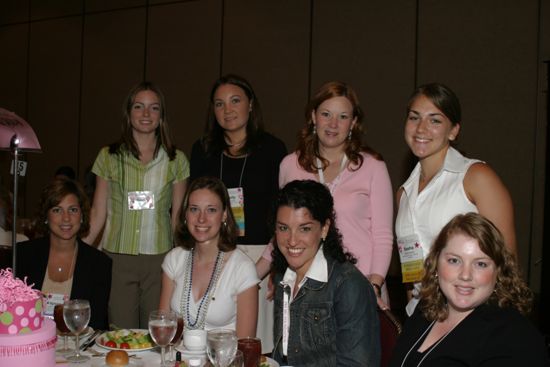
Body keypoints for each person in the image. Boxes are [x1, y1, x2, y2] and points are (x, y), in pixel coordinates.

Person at [258, 81, 393, 307]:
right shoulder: (290, 165)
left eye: (342, 116)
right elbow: (282, 228)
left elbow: (383, 236)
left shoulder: (373, 167)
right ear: (313, 116)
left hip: (359, 285)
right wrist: (251, 275)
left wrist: (375, 283)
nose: (333, 124)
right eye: (326, 114)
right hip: (304, 287)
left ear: (354, 122)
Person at [395, 83, 517, 315]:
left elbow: (507, 263)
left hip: (472, 315)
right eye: (414, 117)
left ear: (453, 131)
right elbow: (410, 269)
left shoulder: (476, 177)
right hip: (421, 316)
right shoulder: (404, 193)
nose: (421, 128)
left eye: (435, 120)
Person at [190, 74, 286, 348]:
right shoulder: (203, 150)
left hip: (261, 257)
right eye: (219, 104)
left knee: (254, 342)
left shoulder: (272, 149)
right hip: (213, 254)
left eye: (235, 101)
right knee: (212, 339)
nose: (227, 110)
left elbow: (282, 211)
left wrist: (276, 263)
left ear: (251, 104)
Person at [84, 81, 189, 329]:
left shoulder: (177, 160)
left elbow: (178, 217)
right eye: (139, 107)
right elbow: (98, 212)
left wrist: (185, 260)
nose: (145, 114)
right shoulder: (108, 156)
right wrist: (76, 251)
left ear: (161, 116)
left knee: (156, 332)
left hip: (160, 259)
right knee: (121, 332)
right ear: (128, 112)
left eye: (153, 108)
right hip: (118, 259)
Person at [389, 213, 548, 366]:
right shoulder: (424, 311)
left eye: (480, 264)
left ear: (498, 272)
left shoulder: (514, 336)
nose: (465, 275)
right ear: (436, 263)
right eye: (454, 260)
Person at [271, 180, 380, 366]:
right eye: (283, 228)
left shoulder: (348, 285)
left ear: (324, 228)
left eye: (304, 229)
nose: (292, 240)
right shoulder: (283, 279)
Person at [159, 176, 259, 337]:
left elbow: (245, 345)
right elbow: (162, 328)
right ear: (185, 214)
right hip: (177, 359)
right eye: (194, 209)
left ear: (225, 215)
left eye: (211, 210)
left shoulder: (243, 268)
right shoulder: (174, 259)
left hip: (222, 360)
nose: (201, 218)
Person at [16, 178, 112, 329]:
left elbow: (97, 323)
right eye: (57, 210)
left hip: (78, 346)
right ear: (46, 217)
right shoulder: (22, 255)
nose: (66, 218)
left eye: (73, 210)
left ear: (82, 216)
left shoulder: (99, 263)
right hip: (31, 343)